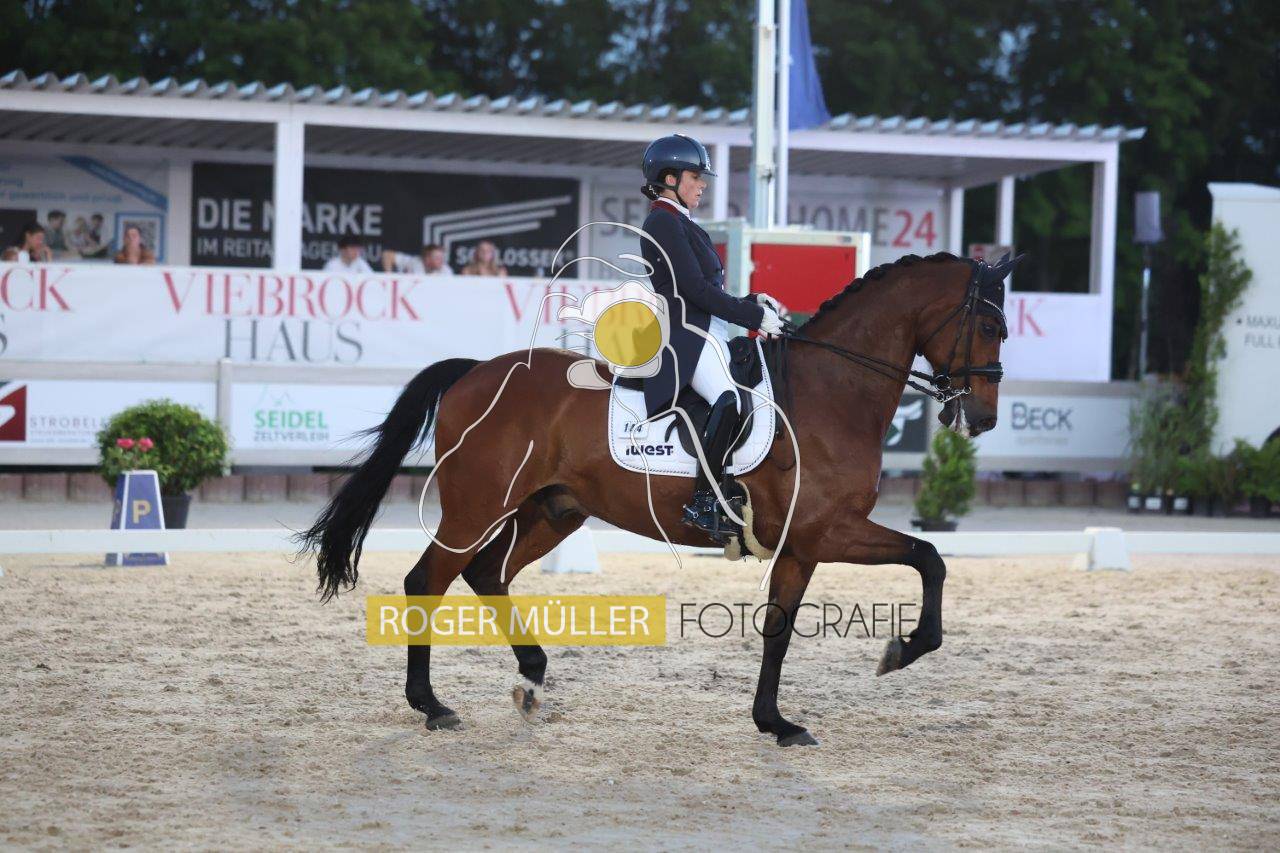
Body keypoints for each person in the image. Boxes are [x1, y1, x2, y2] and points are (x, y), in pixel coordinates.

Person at [637, 133, 786, 542]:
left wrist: (752, 301)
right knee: (728, 399)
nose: (702, 184)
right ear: (669, 178)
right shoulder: (662, 222)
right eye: (695, 177)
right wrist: (752, 316)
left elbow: (708, 291)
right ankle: (704, 499)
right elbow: (695, 291)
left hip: (707, 330)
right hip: (686, 335)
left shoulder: (682, 222)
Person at [382, 243, 454, 275]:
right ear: (427, 259)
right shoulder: (414, 262)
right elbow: (387, 255)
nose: (441, 261)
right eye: (437, 258)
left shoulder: (446, 270)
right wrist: (389, 277)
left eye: (442, 258)